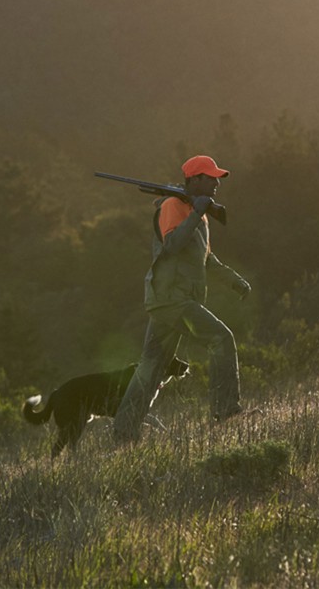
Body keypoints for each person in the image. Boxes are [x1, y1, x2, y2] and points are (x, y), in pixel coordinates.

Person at [113, 154, 252, 443]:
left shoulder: (198, 213)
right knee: (221, 339)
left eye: (217, 178)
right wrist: (194, 213)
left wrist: (235, 282)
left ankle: (124, 435)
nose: (216, 183)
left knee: (151, 367)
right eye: (210, 177)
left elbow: (207, 259)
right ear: (195, 180)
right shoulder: (173, 206)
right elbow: (173, 245)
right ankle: (226, 412)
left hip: (171, 299)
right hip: (172, 299)